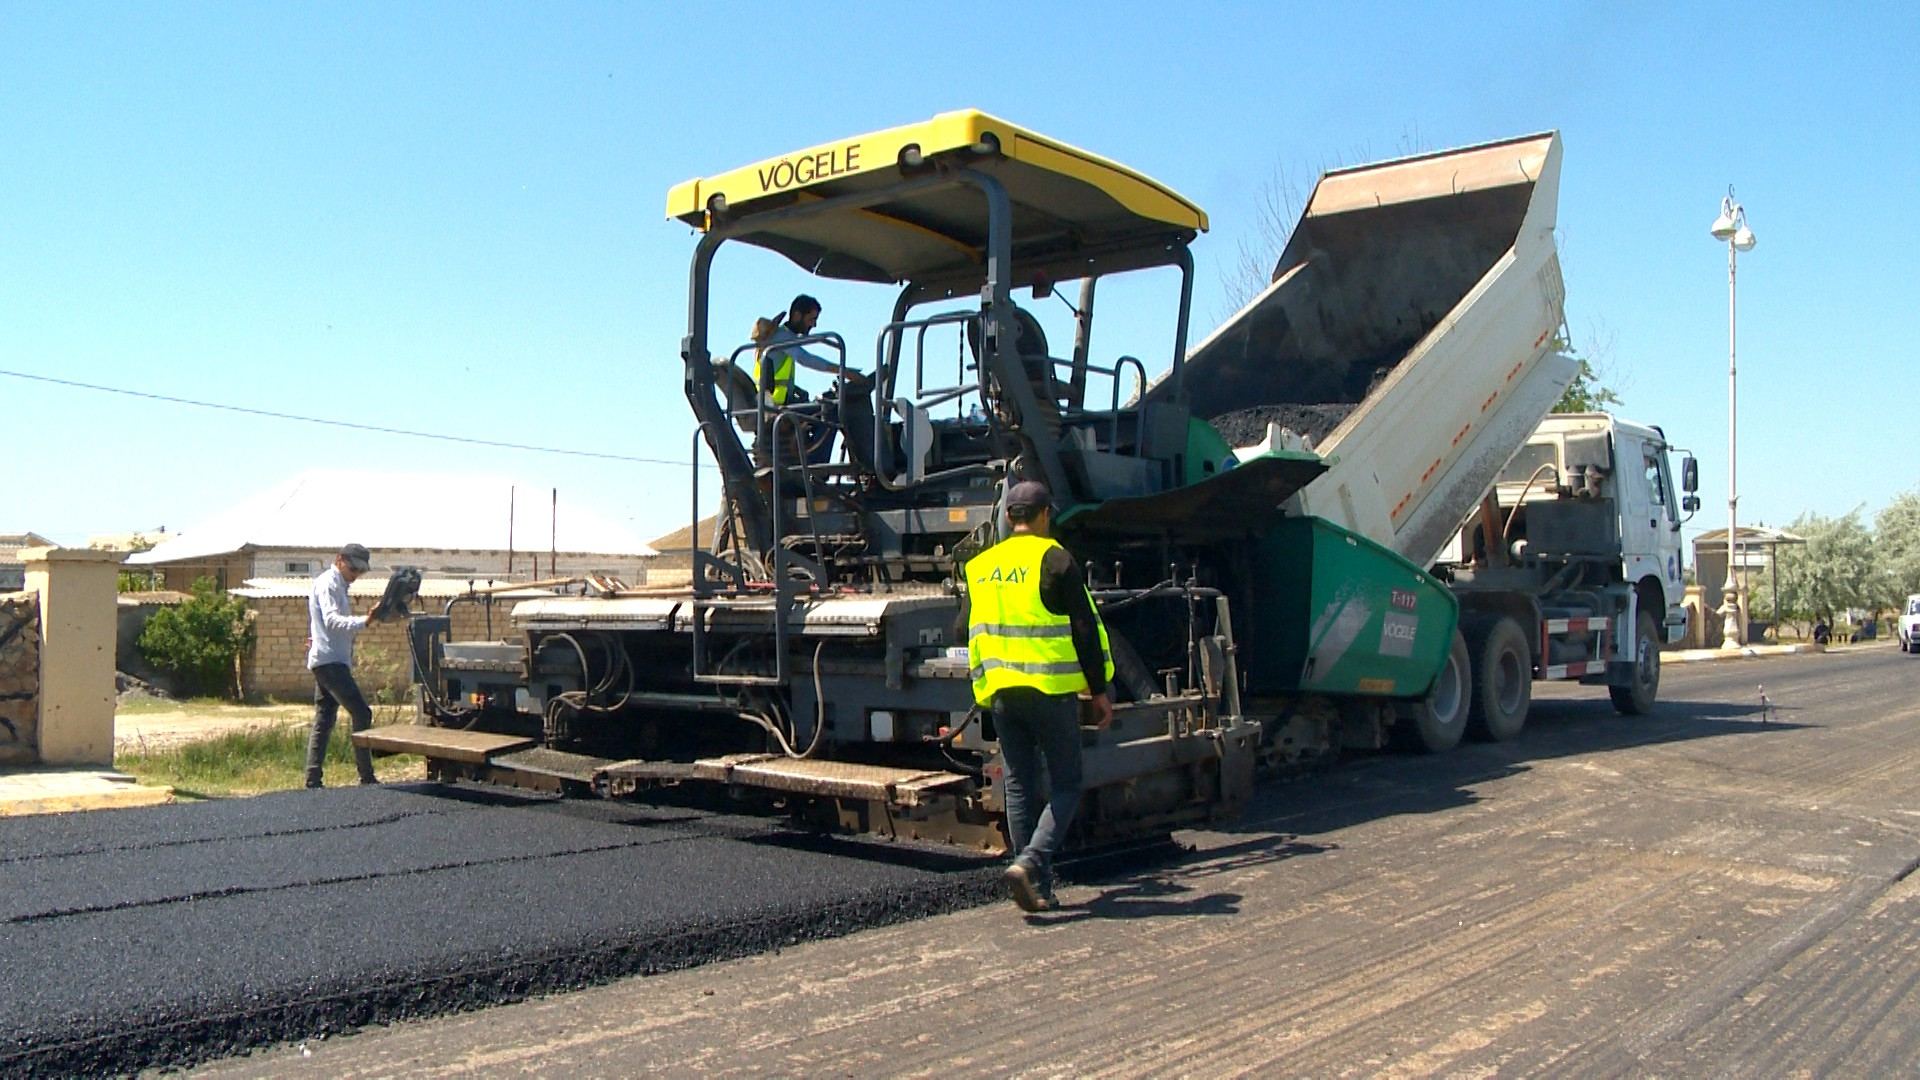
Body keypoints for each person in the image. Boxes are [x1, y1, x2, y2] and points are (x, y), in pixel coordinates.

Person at [962, 480, 1114, 913]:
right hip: (1049, 690)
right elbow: (1084, 628)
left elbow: (963, 628)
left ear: (1009, 517)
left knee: (1018, 784)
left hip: (1001, 694)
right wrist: (1099, 691)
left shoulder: (980, 565)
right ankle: (1031, 862)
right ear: (1045, 514)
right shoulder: (1056, 559)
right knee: (1067, 784)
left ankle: (1036, 886)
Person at [304, 543, 387, 789]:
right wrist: (366, 621)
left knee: (325, 718)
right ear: (339, 560)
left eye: (360, 571)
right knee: (362, 713)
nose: (355, 575)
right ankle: (366, 776)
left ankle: (313, 778)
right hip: (331, 663)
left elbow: (319, 622)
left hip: (329, 660)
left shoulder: (338, 584)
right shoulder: (329, 584)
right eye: (353, 569)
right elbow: (331, 620)